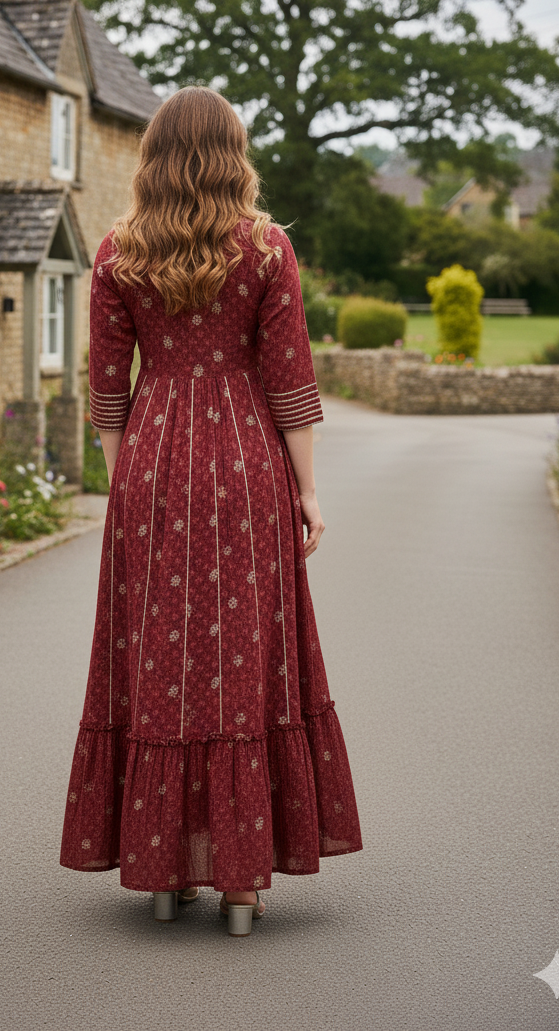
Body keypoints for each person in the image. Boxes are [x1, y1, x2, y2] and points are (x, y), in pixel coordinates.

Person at [59, 87, 362, 937]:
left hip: (153, 462)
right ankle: (240, 884)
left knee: (158, 652)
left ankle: (165, 875)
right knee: (243, 654)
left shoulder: (119, 251)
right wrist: (306, 490)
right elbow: (290, 384)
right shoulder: (267, 250)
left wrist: (126, 487)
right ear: (234, 153)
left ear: (155, 156)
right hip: (244, 465)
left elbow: (108, 393)